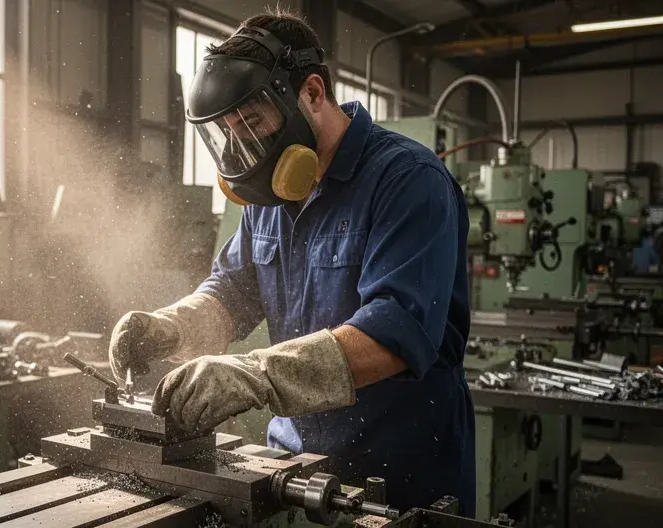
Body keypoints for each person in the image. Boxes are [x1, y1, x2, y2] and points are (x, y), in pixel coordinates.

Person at [108, 8, 476, 517]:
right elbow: (232, 293)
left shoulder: (408, 180)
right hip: (292, 470)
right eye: (230, 132)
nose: (245, 146)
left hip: (399, 477)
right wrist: (170, 327)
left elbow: (394, 334)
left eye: (253, 123)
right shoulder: (271, 195)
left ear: (312, 93)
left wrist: (255, 374)